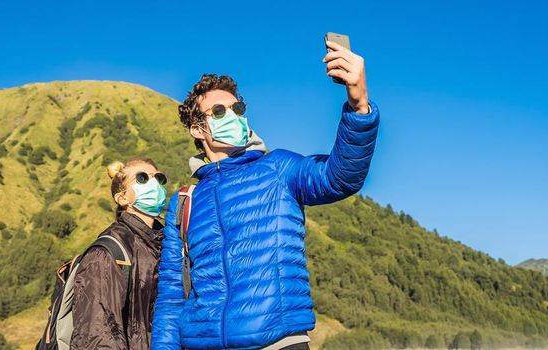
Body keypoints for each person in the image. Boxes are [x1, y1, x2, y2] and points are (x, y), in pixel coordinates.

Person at [151, 41, 381, 349]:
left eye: (237, 108)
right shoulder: (184, 202)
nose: (232, 115)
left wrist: (359, 105)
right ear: (197, 128)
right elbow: (171, 294)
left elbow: (340, 177)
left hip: (278, 343)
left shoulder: (277, 168)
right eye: (219, 111)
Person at [70, 158, 167, 349]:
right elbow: (97, 334)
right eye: (142, 178)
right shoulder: (108, 253)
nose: (154, 184)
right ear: (122, 199)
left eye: (158, 178)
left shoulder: (166, 244)